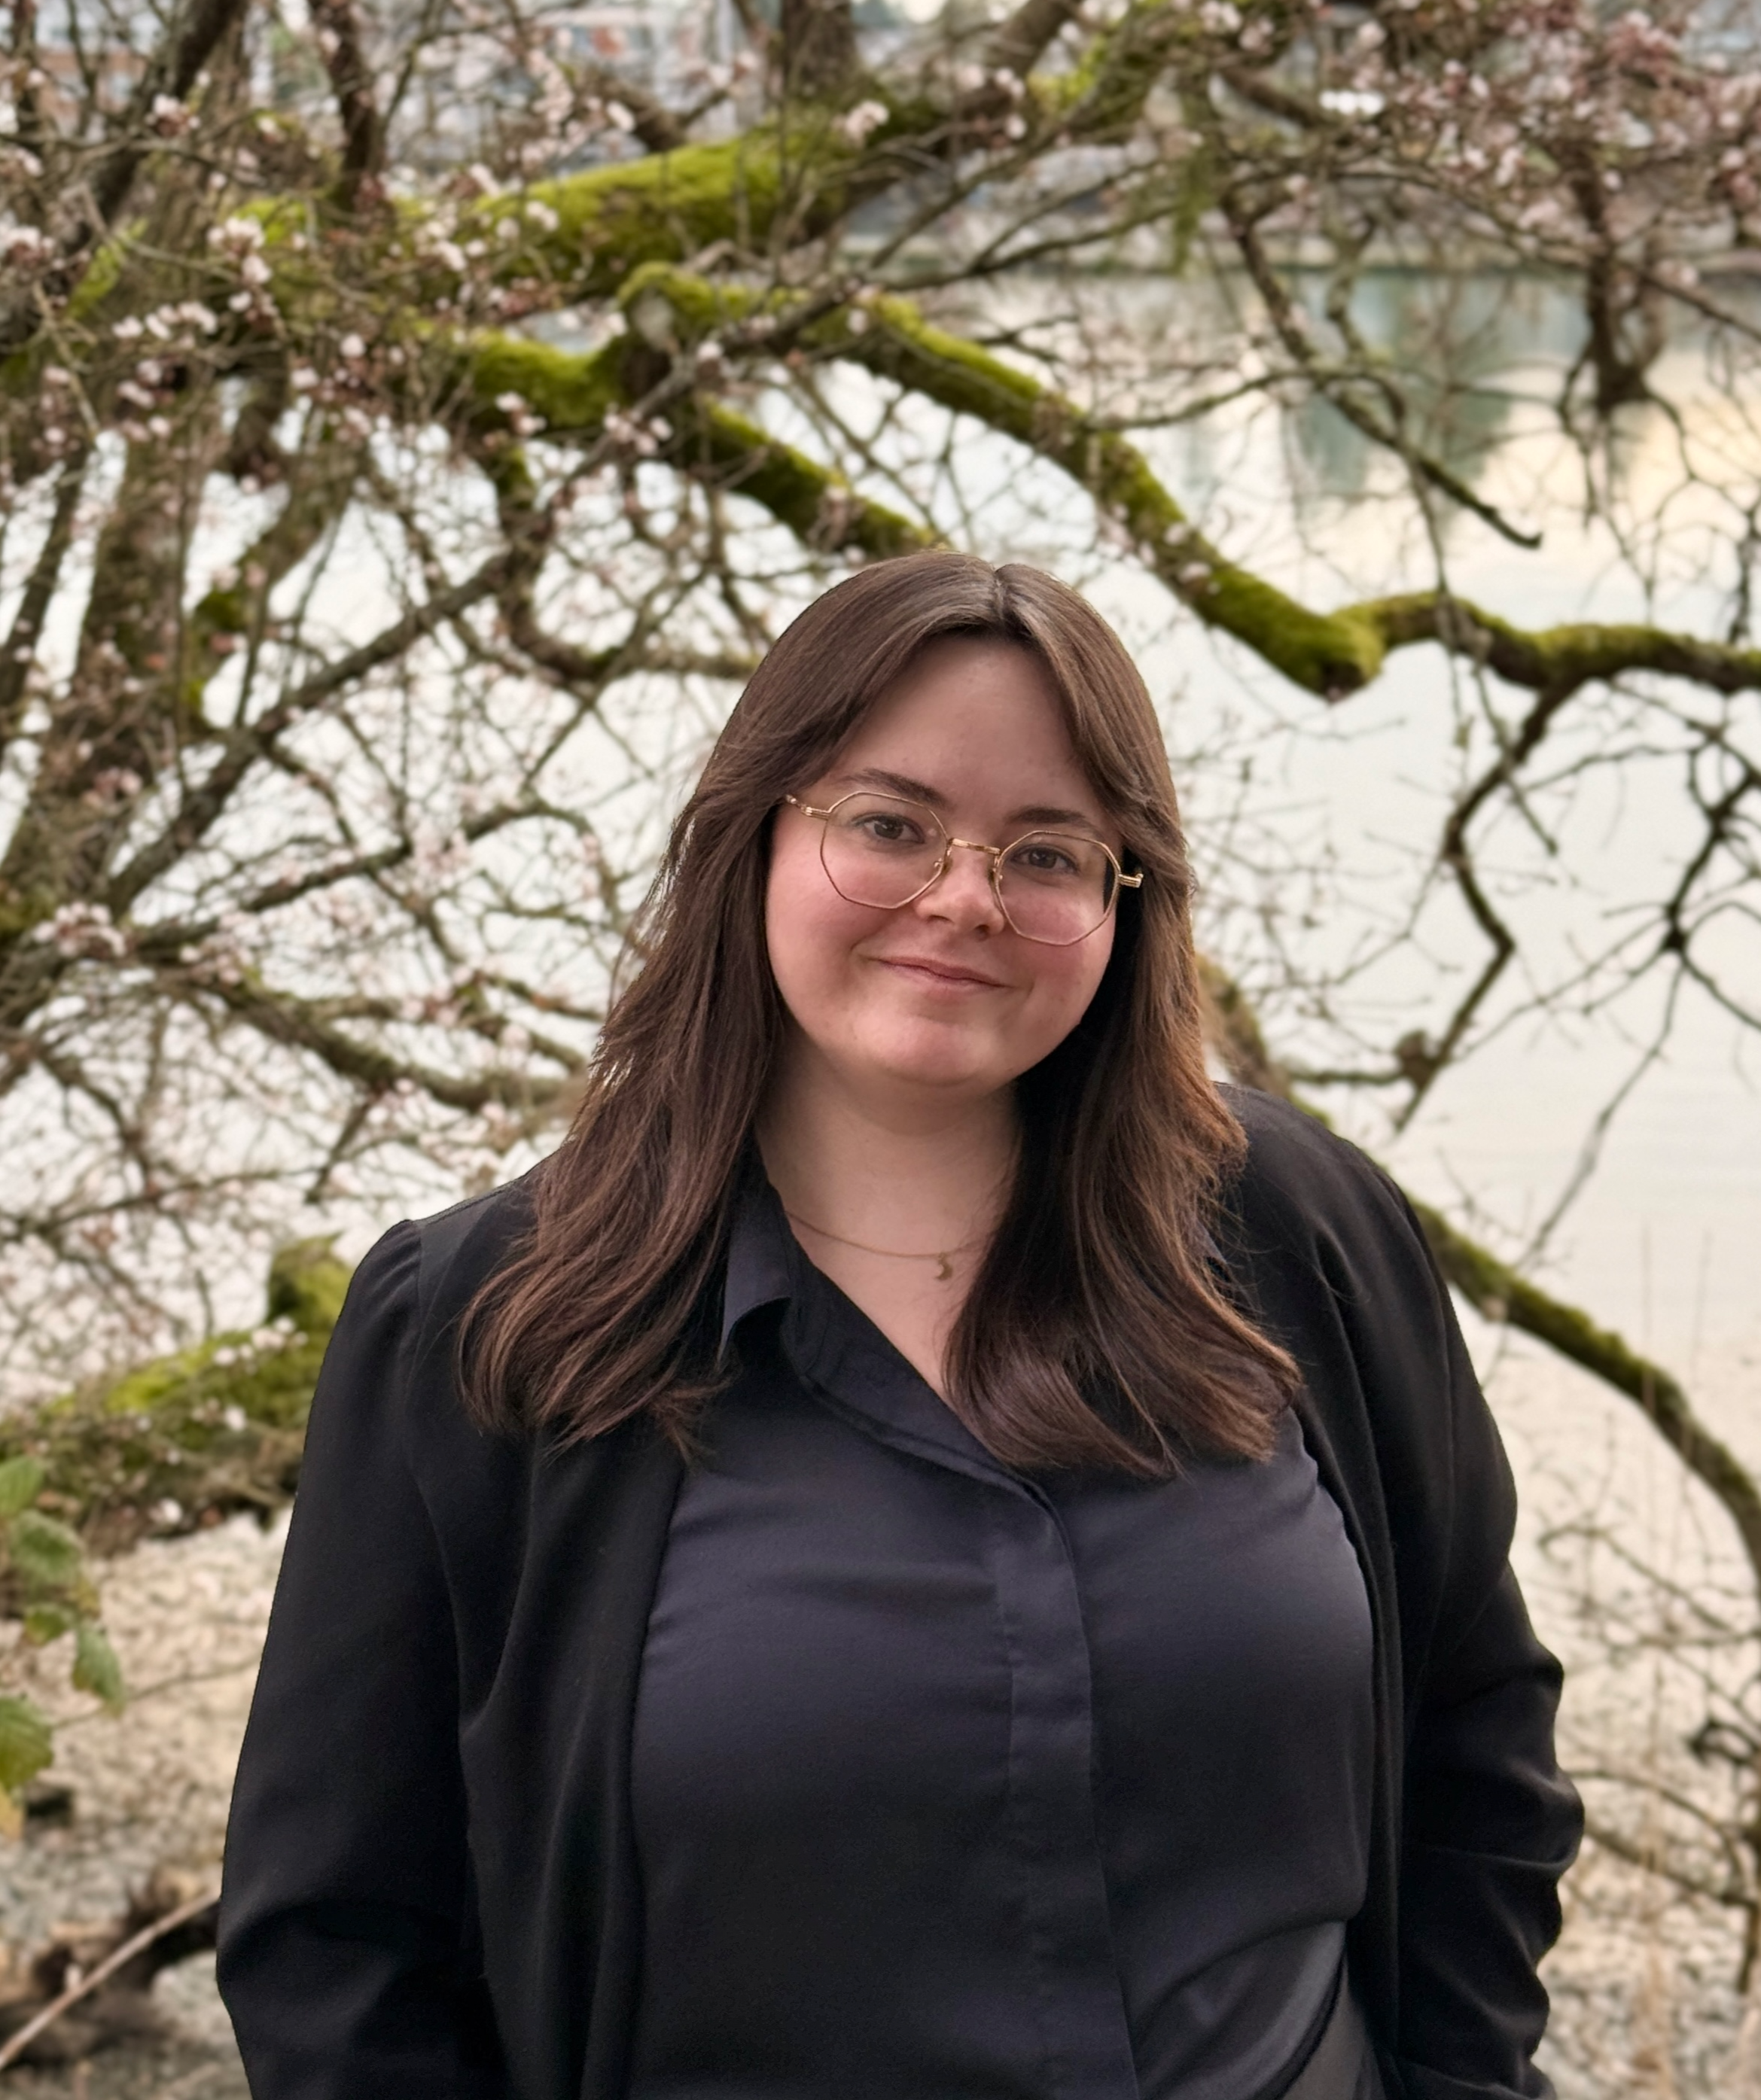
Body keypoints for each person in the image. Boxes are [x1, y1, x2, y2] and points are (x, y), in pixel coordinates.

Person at [217, 553, 1580, 2100]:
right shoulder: (485, 1326)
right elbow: (332, 1950)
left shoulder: (1289, 1230)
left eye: (1049, 853)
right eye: (887, 823)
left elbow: (1477, 1728)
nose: (963, 898)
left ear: (1126, 902)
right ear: (755, 833)